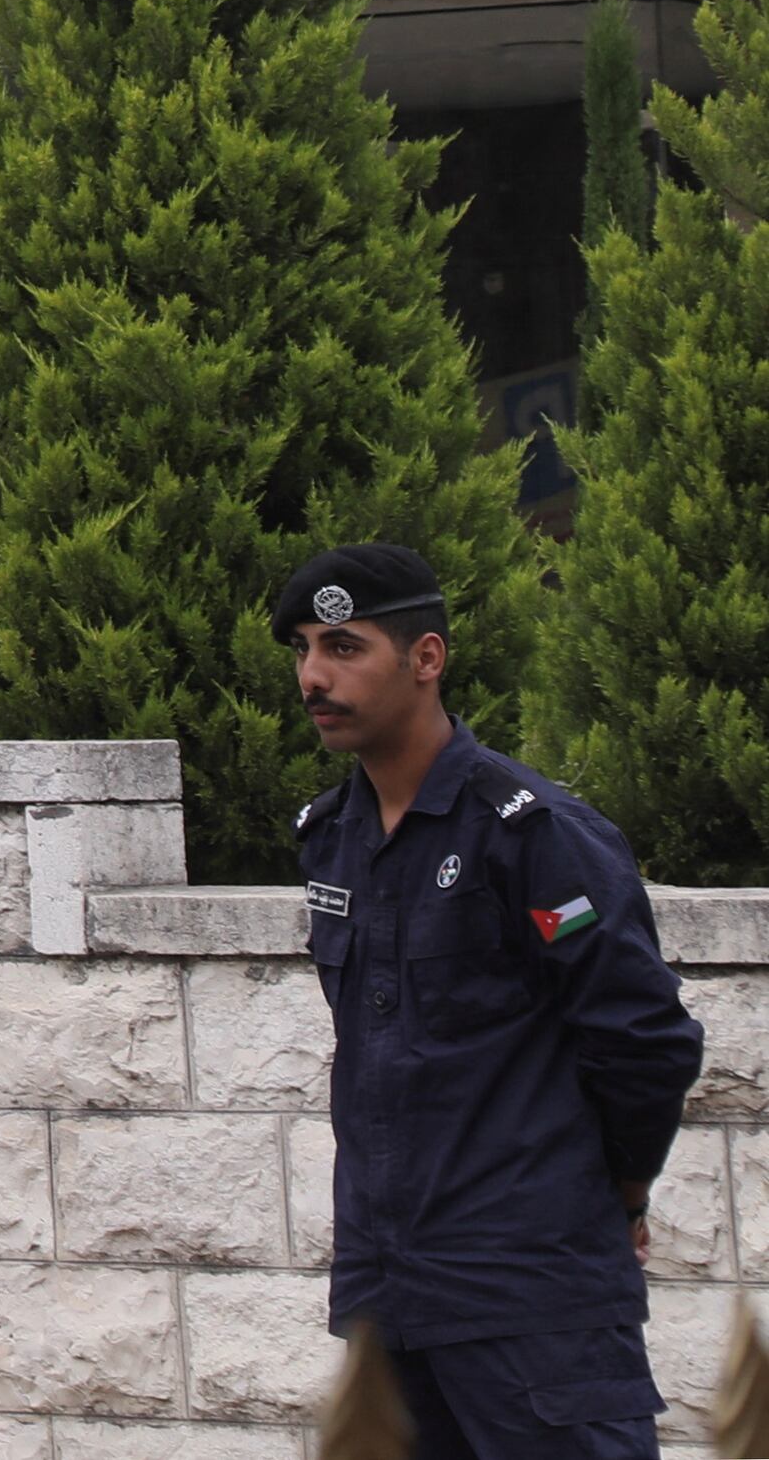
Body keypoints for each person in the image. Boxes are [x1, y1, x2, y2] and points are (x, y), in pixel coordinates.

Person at [285, 541, 702, 1460]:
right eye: (305, 648)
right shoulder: (331, 839)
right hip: (390, 1299)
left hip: (532, 1304)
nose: (315, 674)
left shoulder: (534, 834)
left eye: (345, 646)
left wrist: (619, 1189)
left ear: (426, 657)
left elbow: (644, 1038)